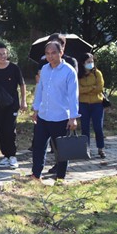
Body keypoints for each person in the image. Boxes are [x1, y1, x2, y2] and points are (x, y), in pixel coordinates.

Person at [31, 41, 79, 180]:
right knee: (38, 147)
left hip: (61, 117)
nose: (50, 56)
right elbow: (40, 89)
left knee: (61, 150)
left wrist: (73, 117)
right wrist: (36, 109)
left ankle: (60, 178)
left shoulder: (69, 71)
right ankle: (36, 175)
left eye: (53, 53)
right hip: (43, 115)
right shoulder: (44, 69)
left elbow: (73, 95)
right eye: (47, 53)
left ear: (61, 53)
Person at [0, 42, 27, 170]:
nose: (3, 56)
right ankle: (5, 156)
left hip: (12, 105)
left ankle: (12, 156)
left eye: (4, 53)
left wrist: (24, 101)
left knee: (9, 129)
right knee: (0, 129)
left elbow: (22, 84)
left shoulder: (14, 68)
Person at [77, 52, 106, 159]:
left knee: (98, 127)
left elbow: (99, 88)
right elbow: (78, 89)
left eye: (92, 61)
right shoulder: (78, 74)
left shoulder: (97, 73)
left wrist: (87, 89)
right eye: (88, 62)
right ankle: (86, 149)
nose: (91, 63)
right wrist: (91, 88)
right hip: (83, 104)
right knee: (85, 128)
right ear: (83, 63)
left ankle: (101, 148)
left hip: (97, 104)